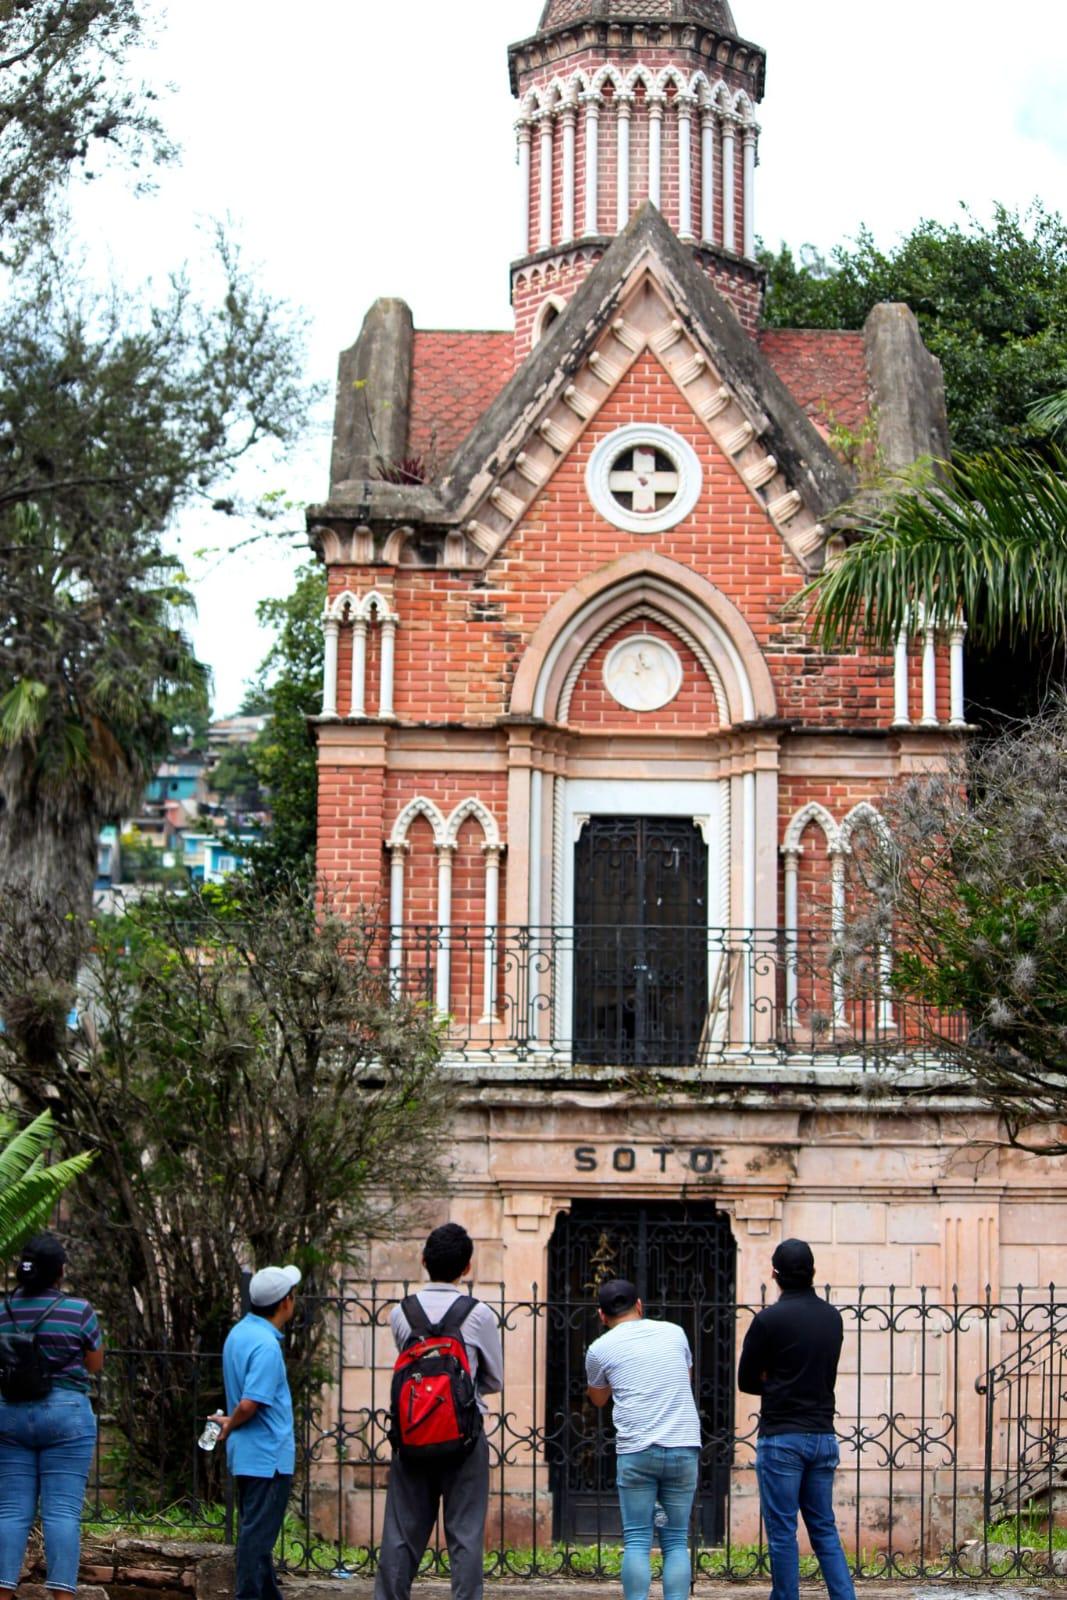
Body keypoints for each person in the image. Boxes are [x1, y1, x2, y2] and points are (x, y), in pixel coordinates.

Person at [375, 1223, 503, 1600]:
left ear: (423, 1261)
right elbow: (493, 1380)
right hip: (464, 1437)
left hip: (412, 1434)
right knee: (464, 1536)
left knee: (400, 1534)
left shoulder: (402, 1313)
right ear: (467, 1268)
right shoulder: (478, 1314)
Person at [738, 1239, 855, 1600]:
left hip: (782, 1437)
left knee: (782, 1530)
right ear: (813, 1272)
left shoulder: (768, 1320)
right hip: (822, 1435)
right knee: (823, 1528)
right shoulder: (832, 1318)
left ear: (775, 1274)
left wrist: (774, 1380)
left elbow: (745, 1380)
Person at [0, 1232, 104, 1600]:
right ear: (60, 1271)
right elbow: (94, 1364)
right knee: (61, 1514)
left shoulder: (3, 1311)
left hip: (11, 1413)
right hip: (66, 1414)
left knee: (12, 1513)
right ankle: (61, 1596)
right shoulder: (79, 1311)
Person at [585, 1279, 702, 1600]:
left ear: (602, 1315)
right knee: (676, 1540)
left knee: (637, 1539)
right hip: (682, 1446)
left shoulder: (600, 1349)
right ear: (639, 1305)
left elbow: (597, 1399)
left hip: (638, 1451)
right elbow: (685, 1376)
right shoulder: (675, 1332)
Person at [220, 1264, 302, 1600]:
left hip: (248, 1455)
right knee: (257, 1539)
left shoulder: (239, 1334)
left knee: (258, 1536)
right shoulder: (267, 1346)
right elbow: (251, 1402)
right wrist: (230, 1422)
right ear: (285, 1302)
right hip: (268, 1458)